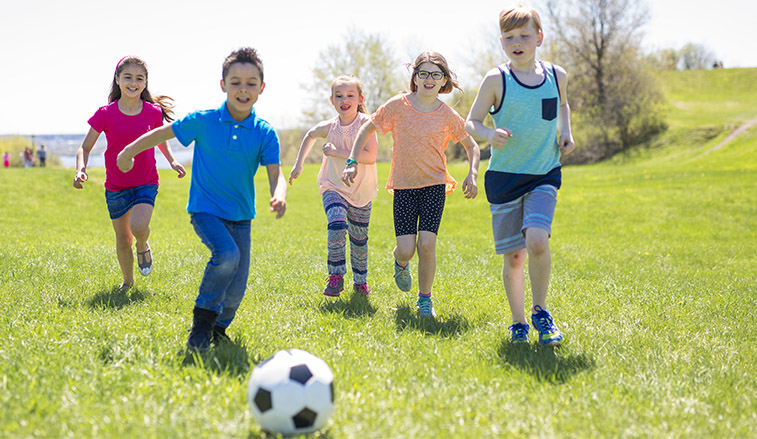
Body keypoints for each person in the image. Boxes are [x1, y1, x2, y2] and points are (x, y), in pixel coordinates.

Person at [117, 47, 287, 352]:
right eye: (235, 82)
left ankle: (218, 329)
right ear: (223, 84)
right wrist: (128, 151)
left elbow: (277, 174)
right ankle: (201, 326)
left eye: (251, 83)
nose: (243, 89)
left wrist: (278, 194)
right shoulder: (204, 121)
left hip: (242, 216)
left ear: (261, 88)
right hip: (206, 211)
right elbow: (161, 134)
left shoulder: (264, 132)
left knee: (236, 288)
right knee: (227, 256)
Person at [465, 5, 575, 346]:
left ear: (539, 38)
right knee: (514, 257)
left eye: (525, 35)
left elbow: (562, 105)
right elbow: (471, 122)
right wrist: (488, 136)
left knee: (538, 240)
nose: (518, 42)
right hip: (504, 177)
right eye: (510, 37)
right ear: (501, 41)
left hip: (544, 172)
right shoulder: (497, 79)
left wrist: (566, 133)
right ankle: (518, 322)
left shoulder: (557, 75)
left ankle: (541, 313)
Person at [343, 51, 480, 318]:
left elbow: (471, 145)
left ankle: (425, 299)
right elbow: (366, 128)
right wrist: (352, 160)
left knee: (427, 245)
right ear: (414, 77)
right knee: (407, 249)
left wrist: (472, 174)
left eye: (436, 74)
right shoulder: (397, 106)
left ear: (444, 81)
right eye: (423, 73)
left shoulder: (447, 115)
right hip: (404, 187)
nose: (429, 79)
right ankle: (400, 261)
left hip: (434, 186)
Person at [73, 56, 186, 290]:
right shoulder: (105, 114)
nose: (133, 82)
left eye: (139, 78)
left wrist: (173, 161)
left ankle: (143, 243)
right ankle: (128, 282)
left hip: (146, 182)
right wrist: (80, 169)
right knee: (123, 239)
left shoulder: (153, 113)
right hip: (115, 185)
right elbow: (84, 148)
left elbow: (160, 140)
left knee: (138, 227)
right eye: (128, 77)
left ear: (145, 83)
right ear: (117, 80)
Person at [289, 75, 378, 298]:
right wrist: (298, 164)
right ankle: (336, 276)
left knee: (359, 240)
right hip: (332, 186)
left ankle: (360, 282)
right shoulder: (329, 126)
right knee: (336, 223)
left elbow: (370, 156)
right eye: (339, 96)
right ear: (332, 100)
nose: (344, 100)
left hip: (361, 191)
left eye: (350, 95)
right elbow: (310, 135)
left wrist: (336, 151)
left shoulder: (366, 124)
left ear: (360, 99)